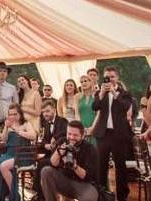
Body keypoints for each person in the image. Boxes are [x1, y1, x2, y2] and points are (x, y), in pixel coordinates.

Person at [92, 66, 134, 201]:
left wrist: (115, 94)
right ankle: (102, 194)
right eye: (107, 77)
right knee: (101, 166)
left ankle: (122, 195)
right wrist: (101, 94)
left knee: (120, 166)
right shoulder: (100, 92)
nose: (109, 79)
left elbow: (125, 107)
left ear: (117, 78)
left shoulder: (125, 93)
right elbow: (95, 107)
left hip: (119, 135)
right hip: (103, 134)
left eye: (112, 77)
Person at [40, 120, 99, 201]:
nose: (71, 137)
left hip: (84, 184)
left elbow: (88, 176)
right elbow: (53, 164)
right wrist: (58, 152)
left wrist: (75, 167)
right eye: (69, 134)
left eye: (75, 135)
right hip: (65, 180)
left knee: (89, 198)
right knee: (46, 171)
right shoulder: (62, 142)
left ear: (82, 135)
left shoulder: (90, 149)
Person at [0, 103, 37, 201]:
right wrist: (6, 127)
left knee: (3, 166)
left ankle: (15, 196)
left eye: (15, 114)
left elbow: (33, 136)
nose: (12, 116)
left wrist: (17, 130)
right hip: (9, 153)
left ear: (20, 114)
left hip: (22, 154)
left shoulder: (26, 124)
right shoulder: (9, 124)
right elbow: (3, 139)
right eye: (10, 114)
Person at [33, 100, 68, 199]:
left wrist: (56, 138)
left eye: (47, 111)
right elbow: (44, 139)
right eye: (43, 112)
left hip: (62, 156)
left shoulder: (63, 121)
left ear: (54, 109)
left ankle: (40, 195)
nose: (45, 114)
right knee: (38, 163)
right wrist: (45, 145)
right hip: (50, 154)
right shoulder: (46, 124)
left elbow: (66, 134)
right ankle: (40, 193)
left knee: (40, 164)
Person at [75, 75, 98, 145]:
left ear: (90, 82)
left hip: (94, 126)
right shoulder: (77, 96)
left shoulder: (96, 95)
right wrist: (81, 127)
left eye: (85, 81)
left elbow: (98, 114)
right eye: (81, 82)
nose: (83, 83)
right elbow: (76, 113)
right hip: (81, 126)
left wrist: (92, 128)